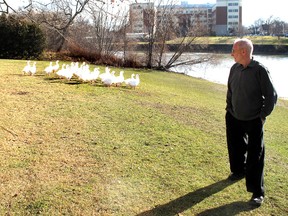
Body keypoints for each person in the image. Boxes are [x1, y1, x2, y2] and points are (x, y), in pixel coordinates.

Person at [225, 38, 277, 206]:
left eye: (233, 50)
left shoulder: (260, 70)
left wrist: (262, 116)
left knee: (256, 155)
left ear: (243, 52)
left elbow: (271, 96)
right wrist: (229, 109)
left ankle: (257, 192)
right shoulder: (234, 68)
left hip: (254, 119)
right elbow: (230, 90)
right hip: (234, 116)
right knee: (235, 147)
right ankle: (238, 171)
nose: (231, 53)